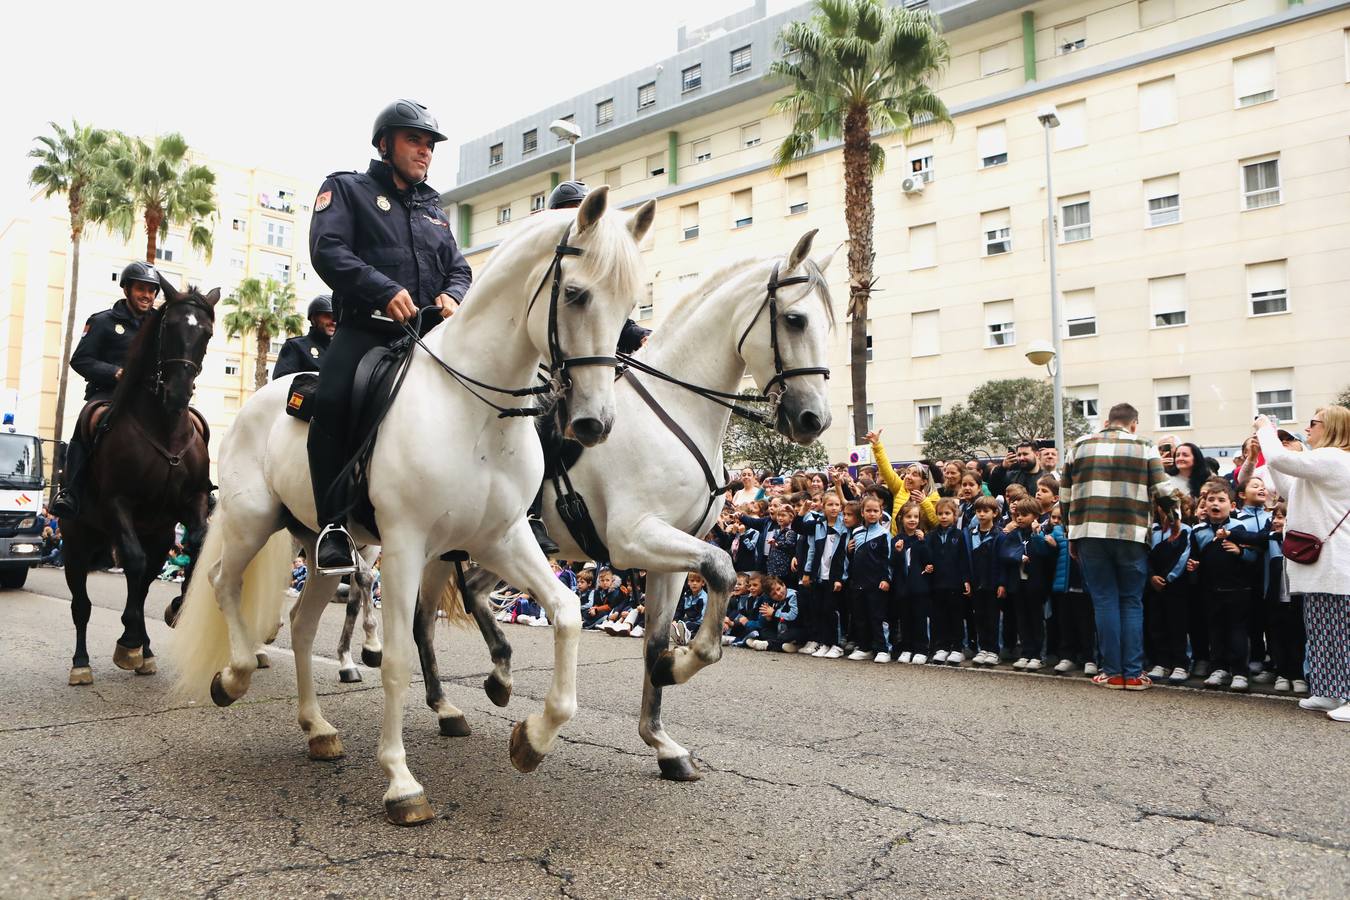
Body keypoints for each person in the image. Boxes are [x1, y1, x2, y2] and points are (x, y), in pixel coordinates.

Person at [306, 99, 472, 574]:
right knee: (333, 398)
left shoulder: (434, 209)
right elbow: (328, 250)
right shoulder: (346, 189)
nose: (424, 152)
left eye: (429, 145)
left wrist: (454, 294)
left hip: (429, 337)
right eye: (414, 141)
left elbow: (458, 267)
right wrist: (382, 290)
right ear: (385, 144)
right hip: (367, 331)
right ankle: (332, 525)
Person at [1059, 402, 1175, 690]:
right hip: (1132, 532)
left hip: (1090, 532)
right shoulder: (1144, 446)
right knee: (1131, 601)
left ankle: (1112, 672)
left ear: (1107, 421)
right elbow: (1163, 490)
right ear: (1133, 423)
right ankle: (1134, 673)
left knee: (1104, 600)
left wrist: (1070, 533)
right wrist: (1174, 519)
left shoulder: (1079, 446)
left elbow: (1065, 495)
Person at [1254, 408, 1350, 722]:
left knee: (1341, 634)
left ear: (1332, 427)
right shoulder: (1325, 463)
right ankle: (1328, 691)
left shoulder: (1336, 458)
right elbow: (1287, 488)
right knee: (1322, 631)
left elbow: (1281, 460)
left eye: (1313, 423)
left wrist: (1266, 429)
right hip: (1321, 565)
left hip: (1337, 565)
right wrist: (1268, 444)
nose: (1307, 428)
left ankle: (1346, 693)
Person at [50, 261, 162, 518]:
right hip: (109, 395)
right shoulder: (103, 321)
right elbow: (80, 360)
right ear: (127, 289)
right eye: (141, 289)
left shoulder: (161, 324)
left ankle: (197, 490)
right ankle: (72, 492)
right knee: (86, 420)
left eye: (152, 290)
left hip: (151, 396)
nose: (147, 295)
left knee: (190, 425)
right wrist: (115, 373)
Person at [272, 295, 335, 379]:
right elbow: (282, 380)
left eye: (336, 317)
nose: (333, 322)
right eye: (327, 316)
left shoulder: (342, 350)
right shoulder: (295, 346)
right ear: (313, 318)